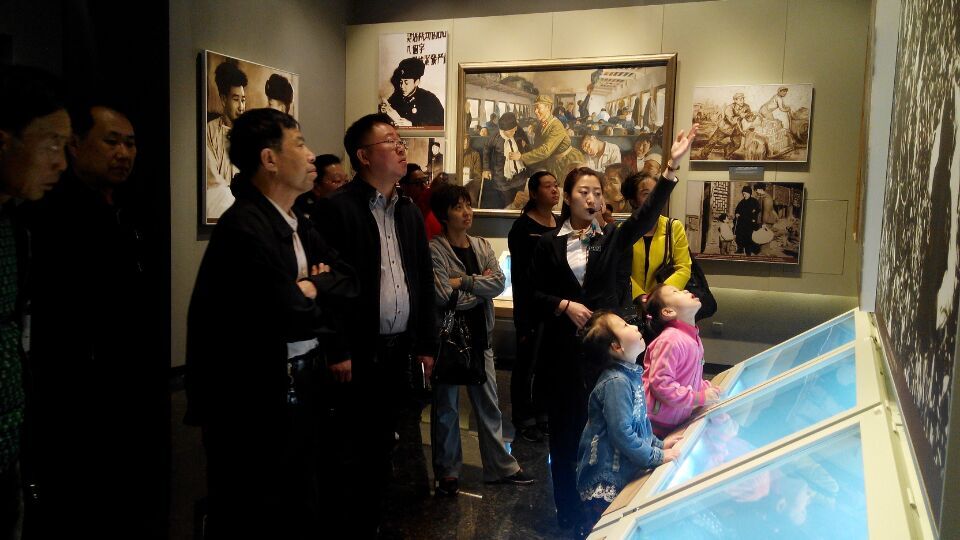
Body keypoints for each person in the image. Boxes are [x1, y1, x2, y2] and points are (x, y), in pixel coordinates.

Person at [185, 108, 358, 539]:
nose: (311, 154)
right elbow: (284, 313)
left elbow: (348, 281)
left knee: (299, 498)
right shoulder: (245, 227)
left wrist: (311, 287)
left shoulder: (297, 221)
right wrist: (311, 290)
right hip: (253, 400)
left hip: (297, 385)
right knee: (260, 507)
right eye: (299, 144)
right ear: (269, 159)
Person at [529, 124, 698, 528]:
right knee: (566, 436)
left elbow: (644, 216)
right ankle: (569, 515)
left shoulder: (611, 238)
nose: (591, 198)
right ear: (568, 198)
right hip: (564, 356)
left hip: (608, 357)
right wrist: (563, 304)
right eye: (583, 192)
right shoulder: (548, 244)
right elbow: (532, 294)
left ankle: (607, 516)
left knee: (612, 430)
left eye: (597, 192)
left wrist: (670, 168)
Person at [28, 103, 168, 538]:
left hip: (132, 381)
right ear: (75, 146)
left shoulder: (132, 208)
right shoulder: (50, 211)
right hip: (76, 387)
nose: (124, 153)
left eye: (131, 144)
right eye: (111, 142)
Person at [313, 113, 436, 537]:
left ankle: (376, 521)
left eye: (400, 139)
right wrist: (338, 347)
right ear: (364, 156)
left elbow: (421, 279)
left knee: (385, 443)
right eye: (390, 140)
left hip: (398, 348)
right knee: (349, 447)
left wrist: (426, 343)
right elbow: (328, 287)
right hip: (356, 351)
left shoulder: (408, 211)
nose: (401, 147)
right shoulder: (336, 209)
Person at [428, 184, 534, 496]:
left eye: (468, 205)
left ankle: (499, 467)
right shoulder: (435, 249)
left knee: (489, 405)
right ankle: (447, 472)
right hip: (448, 339)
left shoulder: (481, 244)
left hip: (480, 336)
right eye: (458, 207)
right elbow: (443, 295)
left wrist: (463, 282)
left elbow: (499, 282)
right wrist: (477, 290)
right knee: (446, 408)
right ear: (444, 214)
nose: (467, 212)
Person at [0, 64, 69, 540]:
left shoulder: (16, 224)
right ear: (4, 141)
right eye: (51, 145)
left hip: (11, 447)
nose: (61, 163)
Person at [576, 311, 681, 532]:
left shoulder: (629, 374)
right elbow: (622, 432)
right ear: (616, 347)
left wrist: (659, 444)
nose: (634, 327)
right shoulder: (617, 382)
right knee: (609, 531)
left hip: (623, 471)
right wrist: (656, 456)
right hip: (607, 480)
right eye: (625, 325)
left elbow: (639, 423)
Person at [507, 171, 560, 442]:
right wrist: (524, 314)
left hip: (555, 306)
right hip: (531, 306)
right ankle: (523, 417)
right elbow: (521, 276)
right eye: (548, 186)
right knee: (526, 364)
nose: (555, 190)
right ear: (534, 193)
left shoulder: (560, 223)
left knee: (548, 364)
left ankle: (543, 412)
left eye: (556, 185)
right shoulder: (523, 227)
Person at [640, 284, 721, 438]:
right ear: (668, 312)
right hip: (656, 426)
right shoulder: (670, 340)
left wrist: (705, 387)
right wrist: (700, 397)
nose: (685, 290)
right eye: (675, 292)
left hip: (674, 421)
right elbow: (661, 385)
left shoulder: (692, 337)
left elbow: (687, 376)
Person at [619, 171, 691, 302]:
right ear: (633, 201)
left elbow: (683, 268)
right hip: (629, 301)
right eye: (647, 194)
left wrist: (658, 297)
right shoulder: (622, 230)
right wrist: (639, 296)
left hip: (665, 303)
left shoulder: (674, 227)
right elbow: (618, 269)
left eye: (657, 193)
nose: (655, 199)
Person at [205, 60, 248, 221]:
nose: (241, 107)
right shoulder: (209, 131)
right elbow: (213, 181)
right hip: (220, 204)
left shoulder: (250, 135)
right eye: (236, 99)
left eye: (243, 100)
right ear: (223, 100)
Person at [512, 95, 585, 187]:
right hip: (554, 162)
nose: (535, 111)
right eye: (535, 108)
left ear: (548, 107)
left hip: (567, 162)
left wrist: (521, 157)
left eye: (538, 108)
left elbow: (545, 150)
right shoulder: (542, 123)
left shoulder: (556, 125)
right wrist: (527, 142)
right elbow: (540, 143)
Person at [481, 112, 528, 209]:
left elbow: (529, 148)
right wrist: (486, 168)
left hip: (520, 178)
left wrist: (525, 146)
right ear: (503, 130)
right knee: (509, 206)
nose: (514, 131)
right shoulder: (495, 137)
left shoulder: (519, 131)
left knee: (521, 204)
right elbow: (486, 150)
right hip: (502, 180)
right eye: (511, 131)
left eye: (515, 128)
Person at [381, 57, 444, 128]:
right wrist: (385, 112)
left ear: (416, 82)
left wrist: (412, 124)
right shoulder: (396, 96)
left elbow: (441, 122)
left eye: (406, 83)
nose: (402, 86)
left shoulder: (429, 99)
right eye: (401, 82)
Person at [293, 154, 347, 227]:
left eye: (346, 180)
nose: (345, 186)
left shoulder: (349, 209)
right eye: (337, 181)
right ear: (316, 188)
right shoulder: (304, 220)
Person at [696, 92, 753, 160]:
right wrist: (741, 116)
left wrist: (752, 116)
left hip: (736, 129)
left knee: (737, 144)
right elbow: (731, 120)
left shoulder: (746, 107)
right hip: (725, 128)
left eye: (743, 99)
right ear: (735, 100)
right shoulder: (729, 108)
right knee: (713, 141)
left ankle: (727, 151)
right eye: (740, 99)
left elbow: (749, 119)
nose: (742, 101)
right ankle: (703, 155)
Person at [399, 163, 441, 240]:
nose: (424, 186)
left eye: (425, 180)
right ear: (404, 186)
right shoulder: (403, 210)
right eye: (417, 183)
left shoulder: (430, 207)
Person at [734, 184, 760, 255]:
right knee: (739, 236)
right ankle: (740, 249)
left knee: (748, 237)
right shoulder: (742, 202)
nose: (744, 195)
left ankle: (748, 251)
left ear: (749, 193)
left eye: (745, 194)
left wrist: (754, 212)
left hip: (749, 223)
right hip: (741, 223)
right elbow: (737, 210)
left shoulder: (754, 201)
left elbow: (758, 209)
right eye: (743, 194)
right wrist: (737, 213)